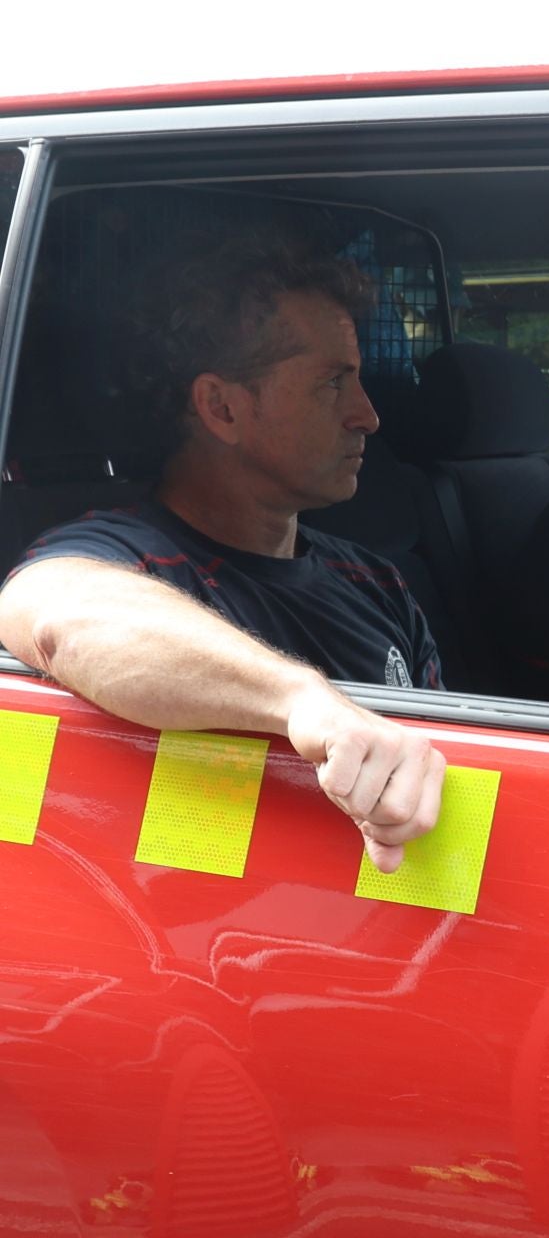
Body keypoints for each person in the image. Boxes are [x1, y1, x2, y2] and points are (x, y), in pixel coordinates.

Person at [0, 234, 448, 871]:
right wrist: (306, 703)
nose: (367, 415)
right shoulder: (121, 559)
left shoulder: (375, 581)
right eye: (331, 383)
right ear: (221, 407)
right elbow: (55, 613)